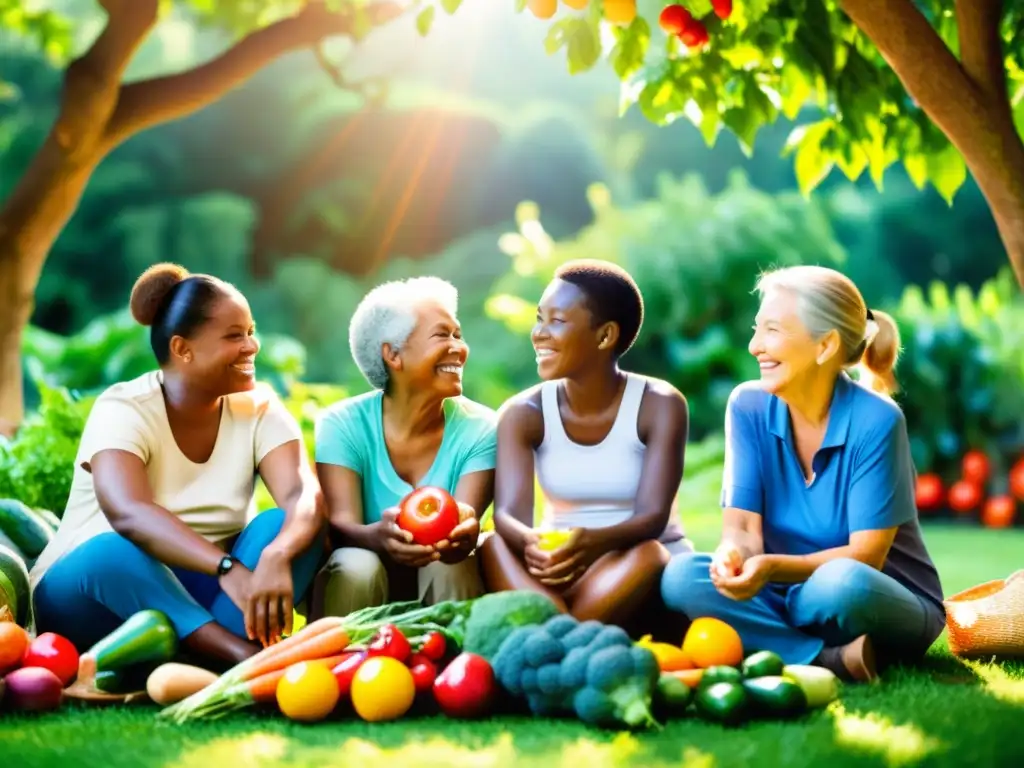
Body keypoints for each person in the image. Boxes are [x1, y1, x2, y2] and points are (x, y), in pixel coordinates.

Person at [29, 264, 326, 667]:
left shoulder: (260, 407)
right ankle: (241, 656)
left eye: (251, 332)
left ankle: (209, 655)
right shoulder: (124, 408)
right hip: (94, 593)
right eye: (234, 335)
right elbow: (129, 513)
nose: (252, 346)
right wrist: (226, 568)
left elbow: (301, 494)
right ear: (182, 349)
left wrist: (278, 553)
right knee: (115, 550)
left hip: (208, 594)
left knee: (282, 527)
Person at [661, 265, 946, 682]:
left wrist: (771, 570)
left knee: (842, 584)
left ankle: (775, 638)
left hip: (873, 596)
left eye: (772, 330)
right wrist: (732, 556)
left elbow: (866, 556)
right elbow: (741, 529)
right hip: (781, 589)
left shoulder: (877, 420)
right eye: (757, 329)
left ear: (825, 345)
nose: (755, 345)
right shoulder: (748, 406)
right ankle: (826, 659)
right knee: (682, 577)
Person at [480, 259, 692, 631]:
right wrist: (529, 541)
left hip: (636, 566)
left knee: (650, 555)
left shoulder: (659, 403)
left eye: (557, 321)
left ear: (605, 335)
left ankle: (555, 636)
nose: (539, 334)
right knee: (492, 544)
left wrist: (592, 544)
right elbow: (507, 514)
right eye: (539, 318)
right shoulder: (523, 413)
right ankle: (569, 636)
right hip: (558, 565)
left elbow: (652, 518)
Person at [310, 277, 495, 618]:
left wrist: (465, 529)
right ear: (393, 354)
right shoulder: (342, 424)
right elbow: (340, 525)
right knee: (355, 563)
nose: (458, 347)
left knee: (448, 565)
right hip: (363, 586)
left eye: (458, 334)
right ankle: (338, 665)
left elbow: (465, 515)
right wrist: (377, 538)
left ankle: (457, 667)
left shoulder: (482, 428)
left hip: (442, 579)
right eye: (442, 335)